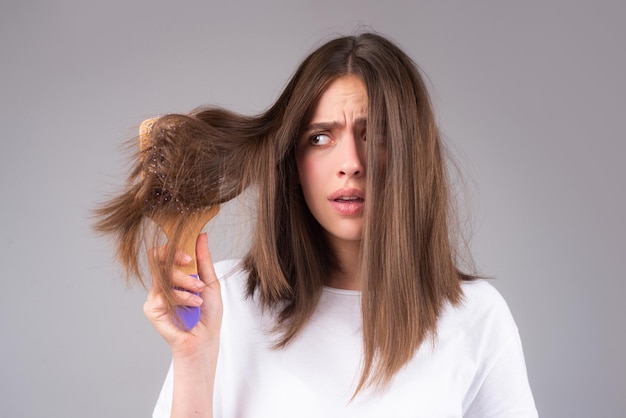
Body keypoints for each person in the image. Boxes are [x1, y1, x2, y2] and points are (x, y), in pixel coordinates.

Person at [105, 32, 538, 417]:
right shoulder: (225, 302)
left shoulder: (476, 316)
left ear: (413, 155)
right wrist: (193, 358)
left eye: (377, 134)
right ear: (293, 160)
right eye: (320, 138)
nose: (350, 163)